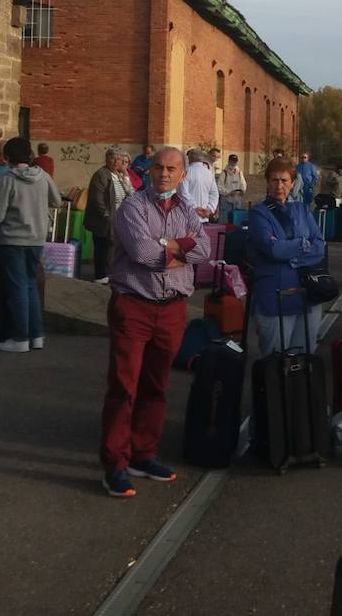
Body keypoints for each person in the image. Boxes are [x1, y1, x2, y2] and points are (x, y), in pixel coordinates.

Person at [100, 146, 209, 498]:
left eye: (172, 169)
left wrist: (166, 246)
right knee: (124, 386)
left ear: (182, 175)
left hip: (172, 308)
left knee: (156, 385)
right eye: (159, 168)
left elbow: (204, 250)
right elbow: (144, 254)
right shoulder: (132, 207)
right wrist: (179, 249)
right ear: (149, 171)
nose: (164, 174)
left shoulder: (187, 209)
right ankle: (115, 464)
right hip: (135, 306)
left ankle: (143, 454)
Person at [0, 136, 61, 352]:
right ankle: (36, 335)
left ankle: (20, 337)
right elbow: (56, 201)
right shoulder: (43, 176)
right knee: (30, 285)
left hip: (13, 239)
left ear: (8, 157)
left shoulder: (8, 179)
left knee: (18, 287)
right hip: (37, 238)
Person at [248, 156, 326, 356]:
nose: (279, 186)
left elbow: (319, 247)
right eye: (274, 180)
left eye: (284, 180)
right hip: (275, 295)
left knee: (304, 357)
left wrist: (289, 252)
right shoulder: (259, 213)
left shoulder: (302, 210)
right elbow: (272, 249)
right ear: (268, 182)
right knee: (275, 359)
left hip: (307, 294)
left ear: (292, 183)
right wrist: (302, 243)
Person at [86, 147, 134, 284]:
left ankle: (108, 273)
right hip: (104, 219)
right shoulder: (101, 174)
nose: (115, 162)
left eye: (118, 159)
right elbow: (97, 199)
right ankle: (101, 275)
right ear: (106, 159)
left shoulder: (118, 175)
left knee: (111, 247)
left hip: (116, 217)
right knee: (103, 247)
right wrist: (107, 216)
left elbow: (130, 192)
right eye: (112, 158)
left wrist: (125, 174)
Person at [180, 148, 219, 220]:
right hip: (205, 215)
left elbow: (183, 192)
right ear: (202, 159)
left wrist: (195, 207)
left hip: (189, 215)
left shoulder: (186, 172)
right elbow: (214, 194)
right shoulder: (209, 173)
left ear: (189, 158)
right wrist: (210, 208)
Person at [217, 153, 248, 222]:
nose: (234, 163)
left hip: (237, 201)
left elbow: (243, 184)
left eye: (235, 161)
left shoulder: (239, 172)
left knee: (236, 221)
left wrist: (242, 191)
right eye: (232, 161)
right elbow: (219, 187)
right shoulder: (224, 173)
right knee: (224, 220)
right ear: (229, 161)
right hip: (226, 201)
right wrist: (229, 192)